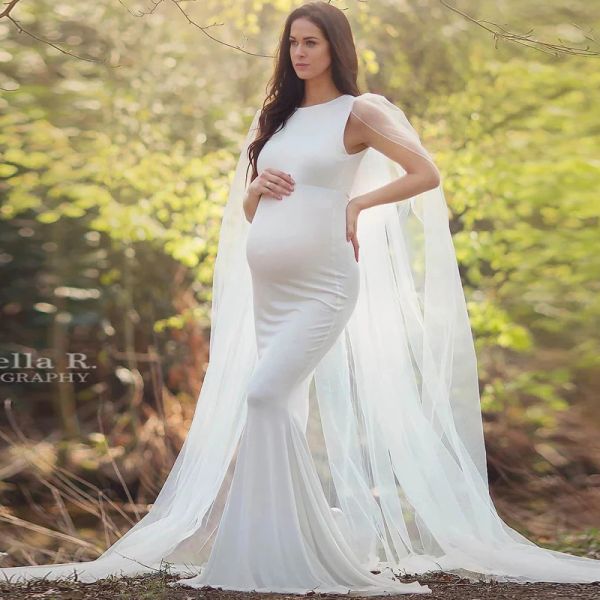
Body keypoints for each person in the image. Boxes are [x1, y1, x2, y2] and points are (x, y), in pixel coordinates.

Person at [2, 1, 599, 595]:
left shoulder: (359, 112)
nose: (300, 52)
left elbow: (426, 173)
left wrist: (359, 204)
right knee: (279, 408)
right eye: (293, 43)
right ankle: (268, 546)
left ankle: (314, 548)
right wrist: (256, 186)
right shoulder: (278, 118)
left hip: (325, 285)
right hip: (272, 288)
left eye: (311, 42)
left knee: (262, 396)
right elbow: (251, 210)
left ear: (336, 47)